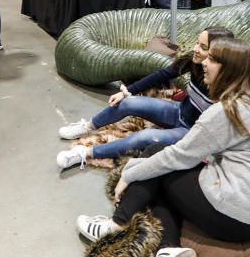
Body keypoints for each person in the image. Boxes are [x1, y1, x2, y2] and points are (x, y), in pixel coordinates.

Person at [76, 38, 250, 257]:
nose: (203, 62)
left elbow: (176, 157)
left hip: (233, 216)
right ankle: (169, 251)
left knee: (158, 160)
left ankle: (117, 224)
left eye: (212, 59)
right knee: (161, 160)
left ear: (229, 69)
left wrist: (129, 173)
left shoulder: (225, 111)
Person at [57, 27, 235, 168]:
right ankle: (87, 126)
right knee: (126, 102)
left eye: (203, 48)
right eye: (197, 43)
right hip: (179, 112)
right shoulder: (195, 62)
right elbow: (162, 74)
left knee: (144, 137)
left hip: (191, 131)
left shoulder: (230, 88)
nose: (196, 49)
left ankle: (86, 152)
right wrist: (127, 91)